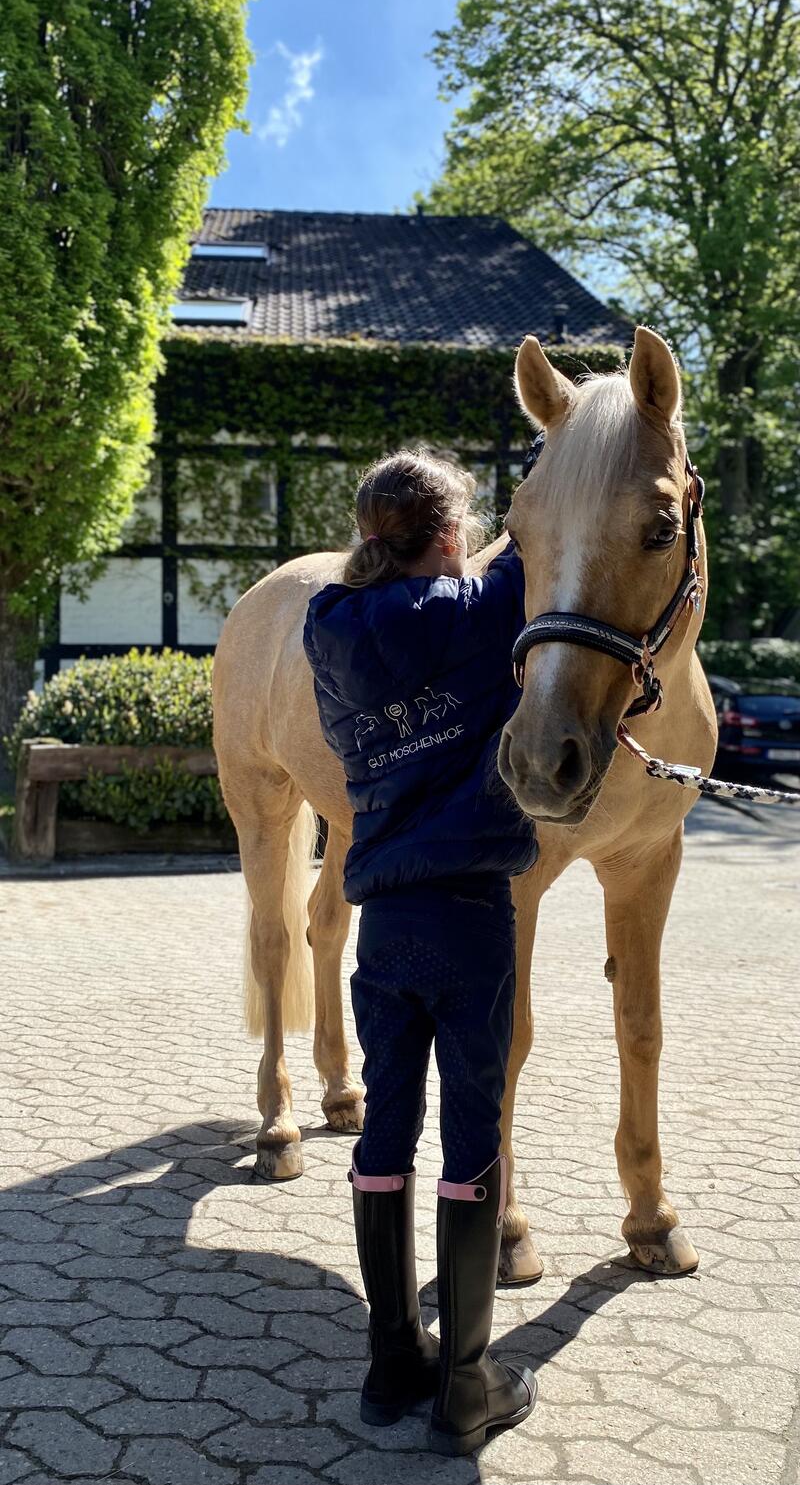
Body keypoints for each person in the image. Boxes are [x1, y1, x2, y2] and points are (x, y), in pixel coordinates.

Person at [303, 448, 538, 1457]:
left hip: (383, 928)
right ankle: (466, 1386)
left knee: (383, 1134)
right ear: (450, 535)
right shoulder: (479, 608)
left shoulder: (324, 626)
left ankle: (390, 1358)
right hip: (468, 914)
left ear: (364, 533)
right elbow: (546, 542)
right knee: (472, 1138)